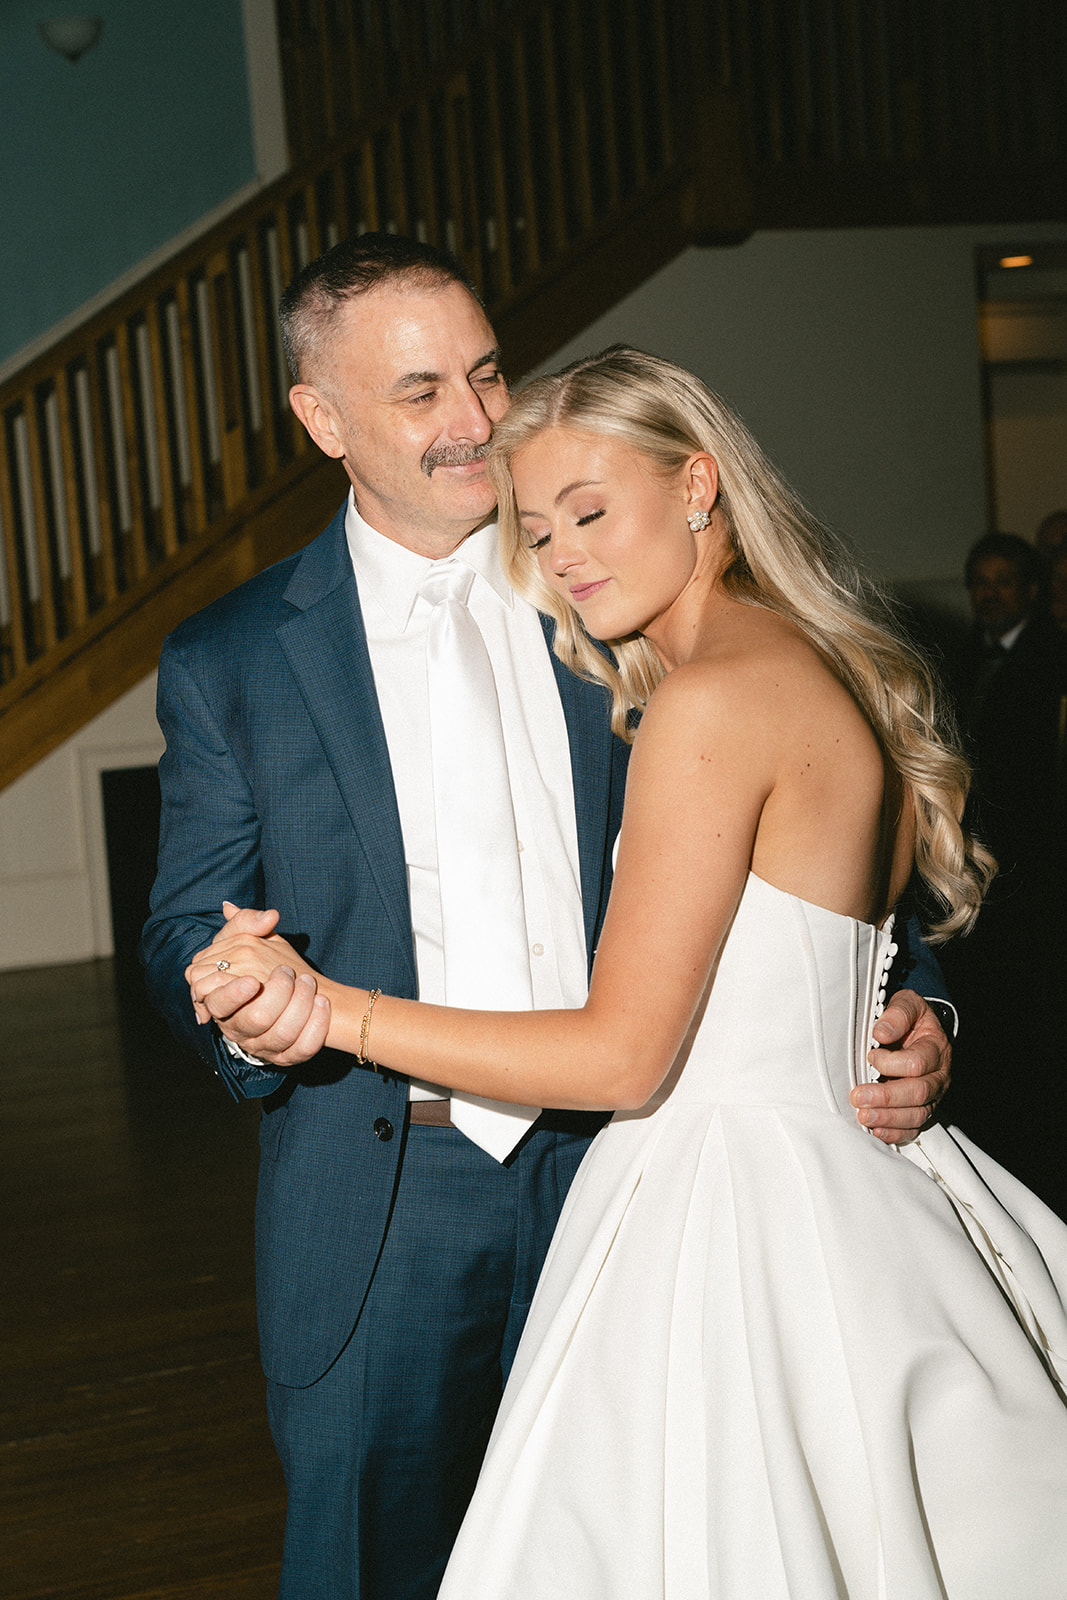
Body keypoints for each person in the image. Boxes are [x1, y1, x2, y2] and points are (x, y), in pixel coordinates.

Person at [142, 238, 951, 1600]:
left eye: (484, 373)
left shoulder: (606, 582)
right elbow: (190, 923)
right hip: (384, 1199)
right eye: (419, 396)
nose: (475, 424)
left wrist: (911, 995)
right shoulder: (232, 659)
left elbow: (810, 818)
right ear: (321, 419)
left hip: (635, 1175)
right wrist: (242, 1000)